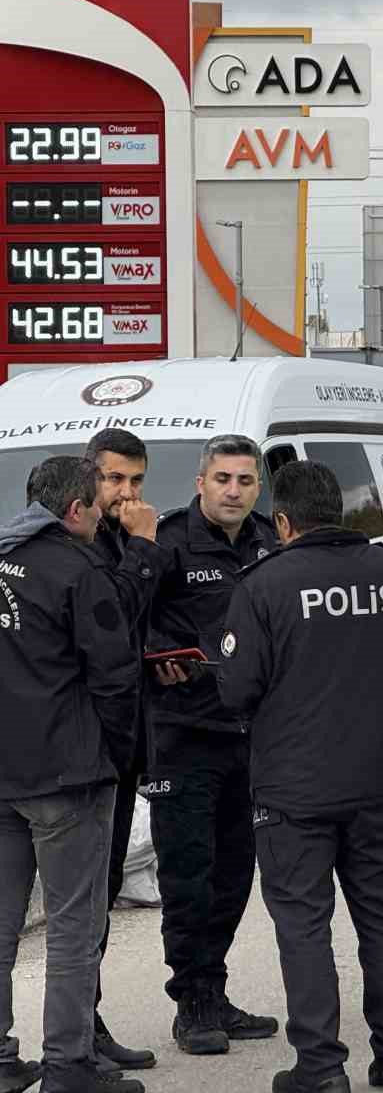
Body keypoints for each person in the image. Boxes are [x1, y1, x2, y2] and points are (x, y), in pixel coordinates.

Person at [220, 461, 383, 1093]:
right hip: (376, 779)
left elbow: (237, 689)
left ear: (283, 521)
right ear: (342, 514)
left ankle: (320, 1068)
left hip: (292, 788)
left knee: (303, 925)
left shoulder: (264, 584)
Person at [0, 458, 142, 1093]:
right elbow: (115, 675)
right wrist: (117, 754)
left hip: (4, 769)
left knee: (2, 927)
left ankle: (2, 1062)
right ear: (77, 511)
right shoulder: (79, 570)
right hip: (66, 774)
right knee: (72, 929)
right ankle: (68, 1067)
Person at [145, 435, 280, 1055]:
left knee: (233, 873)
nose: (233, 491)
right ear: (201, 483)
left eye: (244, 481)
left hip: (248, 737)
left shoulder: (269, 544)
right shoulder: (170, 542)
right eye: (222, 478)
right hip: (183, 734)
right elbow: (127, 618)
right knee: (188, 875)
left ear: (258, 487)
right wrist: (153, 662)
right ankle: (192, 1001)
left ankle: (215, 993)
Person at [82, 430, 168, 1074]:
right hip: (78, 749)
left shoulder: (120, 539)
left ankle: (85, 1018)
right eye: (115, 480)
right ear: (89, 479)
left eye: (136, 481)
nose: (127, 494)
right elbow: (112, 617)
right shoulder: (85, 544)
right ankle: (73, 1030)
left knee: (101, 889)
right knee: (75, 899)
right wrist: (143, 545)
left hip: (120, 740)